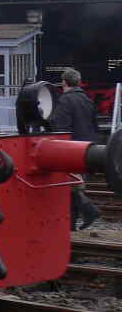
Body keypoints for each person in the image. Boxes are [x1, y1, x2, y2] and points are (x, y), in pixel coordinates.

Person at [51, 68, 103, 230]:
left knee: (71, 187)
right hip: (88, 150)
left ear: (64, 82)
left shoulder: (64, 101)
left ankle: (90, 211)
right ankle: (71, 225)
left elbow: (61, 129)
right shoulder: (87, 100)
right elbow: (95, 126)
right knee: (73, 187)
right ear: (78, 82)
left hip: (72, 150)